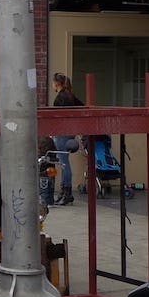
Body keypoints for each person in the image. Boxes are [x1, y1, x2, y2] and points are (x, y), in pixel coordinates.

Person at [51, 73, 83, 204]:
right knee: (64, 162)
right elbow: (81, 106)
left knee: (64, 163)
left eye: (53, 83)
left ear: (56, 84)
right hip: (70, 132)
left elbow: (57, 117)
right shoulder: (70, 95)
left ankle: (66, 191)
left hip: (62, 132)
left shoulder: (61, 98)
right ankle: (65, 191)